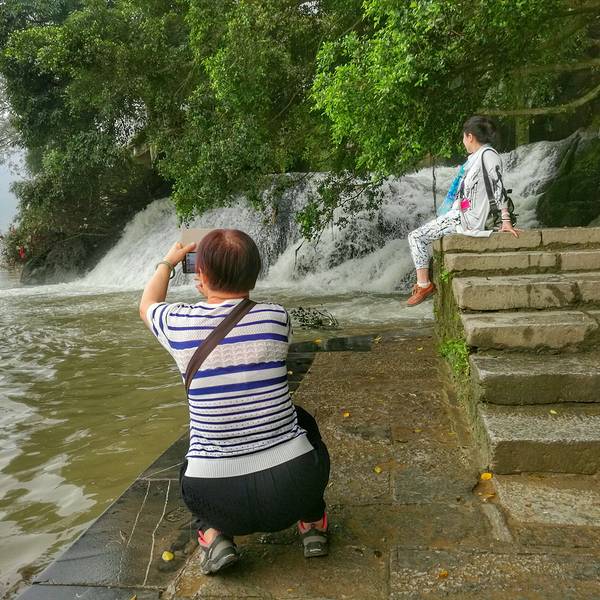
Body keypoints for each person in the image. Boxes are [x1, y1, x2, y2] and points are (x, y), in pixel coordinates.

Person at [139, 229, 330, 575]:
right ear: (255, 274)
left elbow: (147, 305)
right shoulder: (276, 317)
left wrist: (168, 262)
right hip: (294, 491)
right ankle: (313, 523)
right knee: (303, 421)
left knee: (193, 453)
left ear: (201, 274)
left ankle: (215, 536)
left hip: (217, 501)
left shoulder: (178, 323)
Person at [405, 116, 521, 306]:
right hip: (462, 214)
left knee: (416, 237)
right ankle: (424, 284)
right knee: (417, 236)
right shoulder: (475, 159)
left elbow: (498, 186)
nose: (463, 141)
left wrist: (506, 220)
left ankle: (424, 285)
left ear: (470, 136)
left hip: (468, 219)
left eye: (463, 137)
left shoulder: (488, 155)